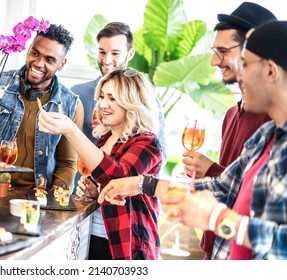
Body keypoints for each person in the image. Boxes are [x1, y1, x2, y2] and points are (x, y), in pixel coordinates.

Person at [98, 20, 287, 260]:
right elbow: (221, 188)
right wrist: (142, 184)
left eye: (246, 65)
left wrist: (217, 219)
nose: (240, 75)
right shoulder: (267, 136)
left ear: (270, 71)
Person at [181, 2, 277, 259]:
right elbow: (228, 185)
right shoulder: (233, 115)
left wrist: (210, 171)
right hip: (218, 246)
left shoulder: (273, 122)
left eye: (223, 51)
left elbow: (255, 200)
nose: (214, 61)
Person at [39, 68, 162, 260]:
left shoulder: (147, 143)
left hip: (128, 245)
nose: (102, 104)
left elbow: (119, 178)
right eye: (102, 96)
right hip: (93, 235)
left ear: (132, 103)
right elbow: (109, 186)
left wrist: (72, 130)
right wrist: (96, 192)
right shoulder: (105, 140)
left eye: (112, 98)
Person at [0, 24, 83, 189]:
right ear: (28, 50)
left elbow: (67, 163)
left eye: (50, 59)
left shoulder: (71, 105)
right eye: (35, 53)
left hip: (38, 198)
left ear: (62, 64)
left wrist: (53, 200)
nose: (38, 63)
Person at [71, 22, 166, 190]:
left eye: (115, 53)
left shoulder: (147, 103)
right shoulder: (77, 94)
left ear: (130, 54)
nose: (107, 60)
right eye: (102, 52)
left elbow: (158, 155)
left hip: (122, 199)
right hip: (84, 194)